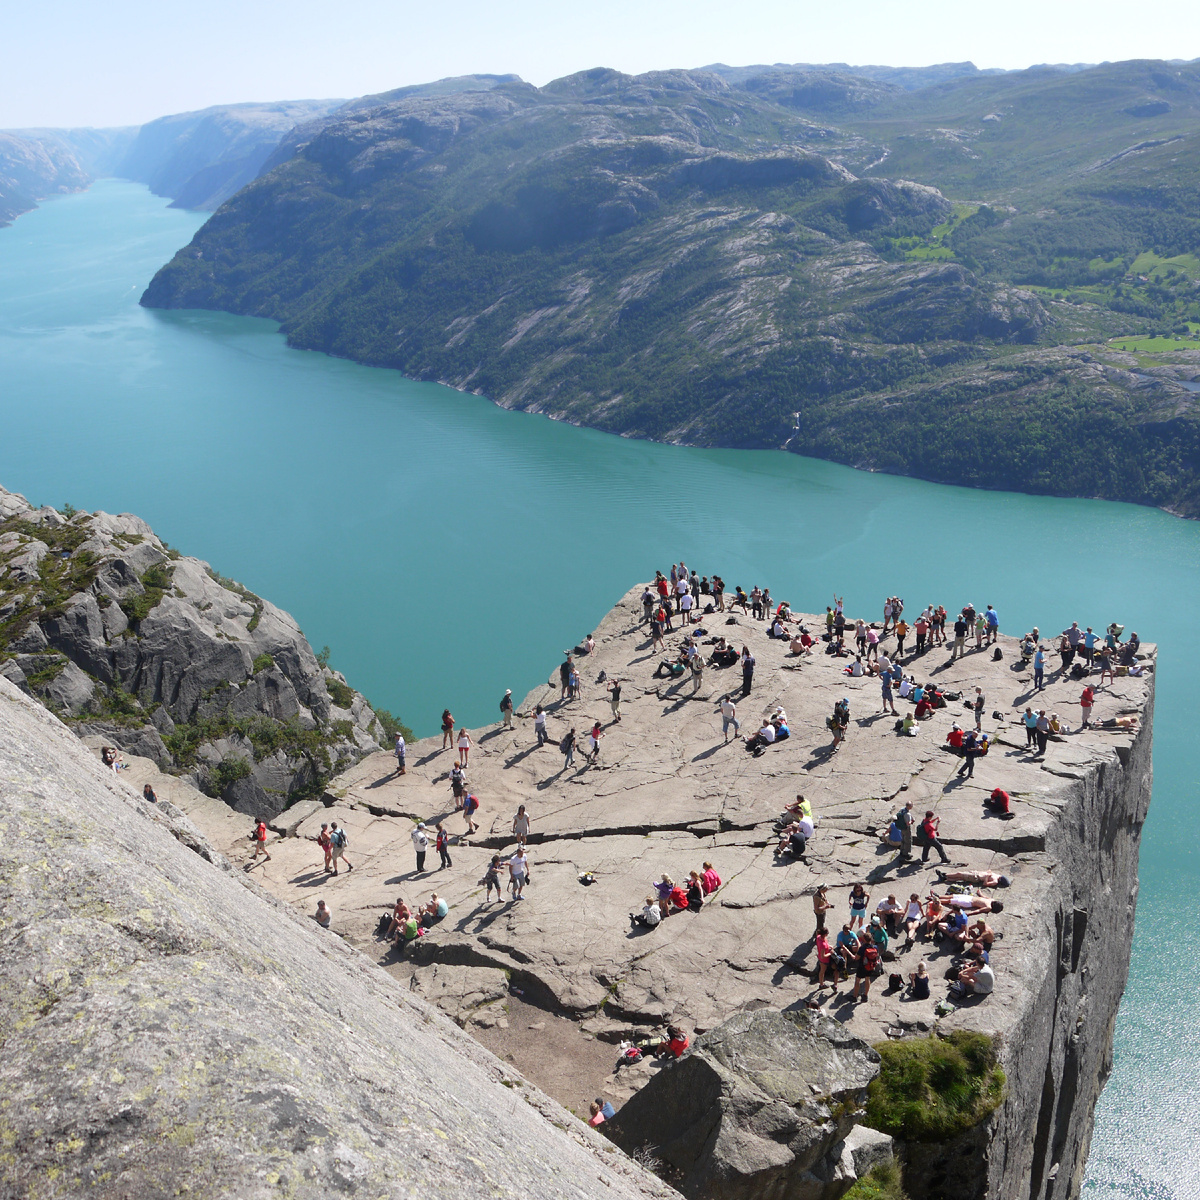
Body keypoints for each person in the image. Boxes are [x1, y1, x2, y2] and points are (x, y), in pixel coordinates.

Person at [852, 934, 880, 1002]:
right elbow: (877, 956)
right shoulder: (875, 947)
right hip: (870, 966)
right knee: (867, 979)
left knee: (857, 980)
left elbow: (857, 958)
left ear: (864, 939)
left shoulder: (862, 948)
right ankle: (865, 996)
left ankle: (854, 997)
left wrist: (854, 957)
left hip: (862, 966)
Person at [937, 868, 1011, 888]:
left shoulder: (995, 881)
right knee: (959, 879)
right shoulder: (997, 876)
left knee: (959, 874)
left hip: (976, 877)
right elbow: (989, 871)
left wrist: (987, 876)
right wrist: (989, 872)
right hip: (976, 873)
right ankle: (945, 878)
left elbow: (985, 884)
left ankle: (944, 874)